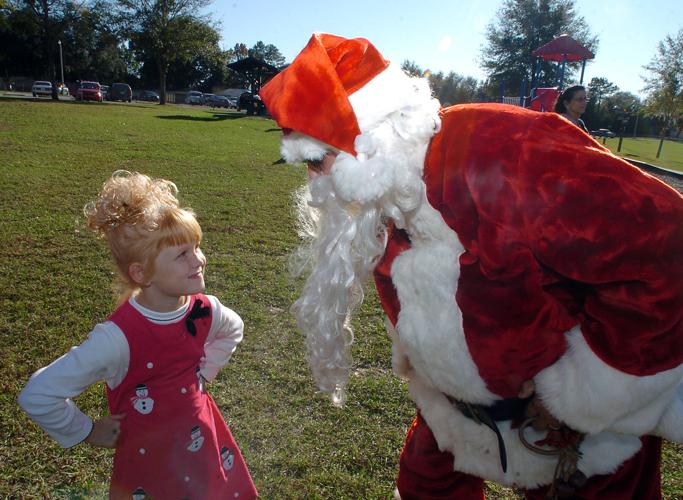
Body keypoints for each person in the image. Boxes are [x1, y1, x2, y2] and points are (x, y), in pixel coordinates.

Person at [259, 33, 683, 498]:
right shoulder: (384, 190)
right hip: (452, 410)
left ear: (375, 134)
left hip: (578, 430)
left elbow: (666, 246)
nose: (314, 181)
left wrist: (581, 395)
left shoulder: (500, 148)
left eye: (319, 159)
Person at [18, 171, 258, 499]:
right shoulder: (116, 339)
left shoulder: (207, 310)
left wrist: (205, 374)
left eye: (196, 247)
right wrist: (87, 430)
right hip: (148, 467)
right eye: (181, 254)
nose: (198, 260)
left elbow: (234, 328)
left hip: (200, 445)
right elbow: (38, 394)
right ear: (141, 273)